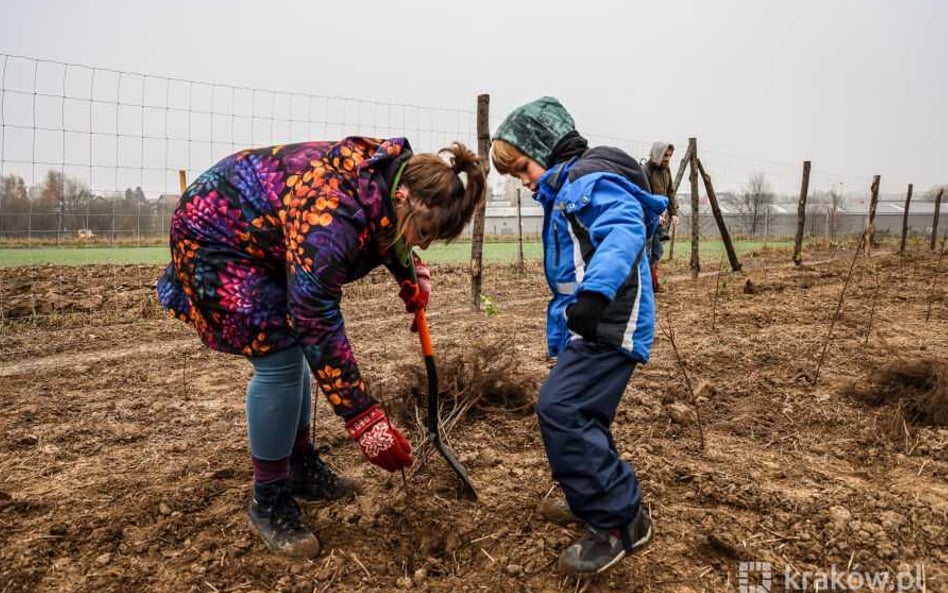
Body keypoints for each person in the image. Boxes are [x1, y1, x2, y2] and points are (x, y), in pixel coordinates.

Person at [156, 137, 485, 558]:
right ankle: (269, 499)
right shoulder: (332, 214)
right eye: (423, 233)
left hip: (264, 239)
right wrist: (364, 419)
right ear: (405, 197)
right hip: (217, 238)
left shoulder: (388, 177)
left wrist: (409, 270)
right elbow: (316, 319)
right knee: (280, 361)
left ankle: (298, 466)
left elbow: (385, 228)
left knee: (290, 357)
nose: (421, 244)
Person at [491, 97, 666, 575]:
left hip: (610, 319)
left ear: (545, 148)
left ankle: (618, 521)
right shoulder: (569, 185)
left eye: (523, 167)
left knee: (561, 408)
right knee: (582, 414)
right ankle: (596, 500)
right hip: (594, 322)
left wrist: (595, 295)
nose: (525, 182)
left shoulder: (584, 181)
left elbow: (626, 228)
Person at [643, 142, 678, 292]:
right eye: (665, 155)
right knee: (647, 251)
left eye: (669, 155)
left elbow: (670, 192)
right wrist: (654, 215)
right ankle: (648, 285)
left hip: (661, 217)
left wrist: (674, 213)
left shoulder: (666, 170)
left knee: (657, 252)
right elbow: (644, 195)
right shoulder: (645, 171)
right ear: (658, 153)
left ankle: (652, 283)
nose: (667, 158)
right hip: (647, 218)